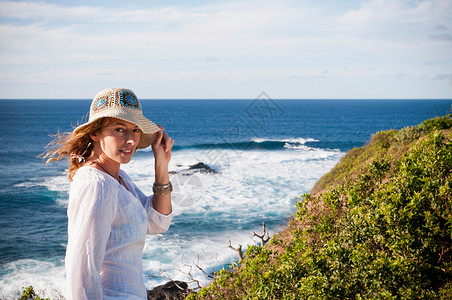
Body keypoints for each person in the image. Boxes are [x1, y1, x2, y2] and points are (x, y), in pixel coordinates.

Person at [44, 88, 174, 299]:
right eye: (120, 129)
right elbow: (82, 274)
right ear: (95, 133)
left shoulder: (120, 180)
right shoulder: (97, 184)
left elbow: (157, 222)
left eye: (135, 130)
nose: (131, 140)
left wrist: (161, 163)